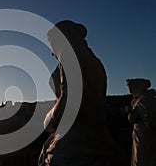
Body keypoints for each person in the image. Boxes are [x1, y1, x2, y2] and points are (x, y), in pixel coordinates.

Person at [39, 20, 120, 166]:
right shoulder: (96, 62)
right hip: (98, 143)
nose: (52, 53)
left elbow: (68, 106)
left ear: (66, 35)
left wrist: (47, 121)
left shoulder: (69, 53)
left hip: (72, 148)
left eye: (52, 43)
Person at [126, 78, 156, 166]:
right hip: (143, 134)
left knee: (141, 158)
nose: (131, 92)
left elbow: (134, 118)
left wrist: (131, 113)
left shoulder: (143, 101)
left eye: (131, 89)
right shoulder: (146, 99)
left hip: (143, 134)